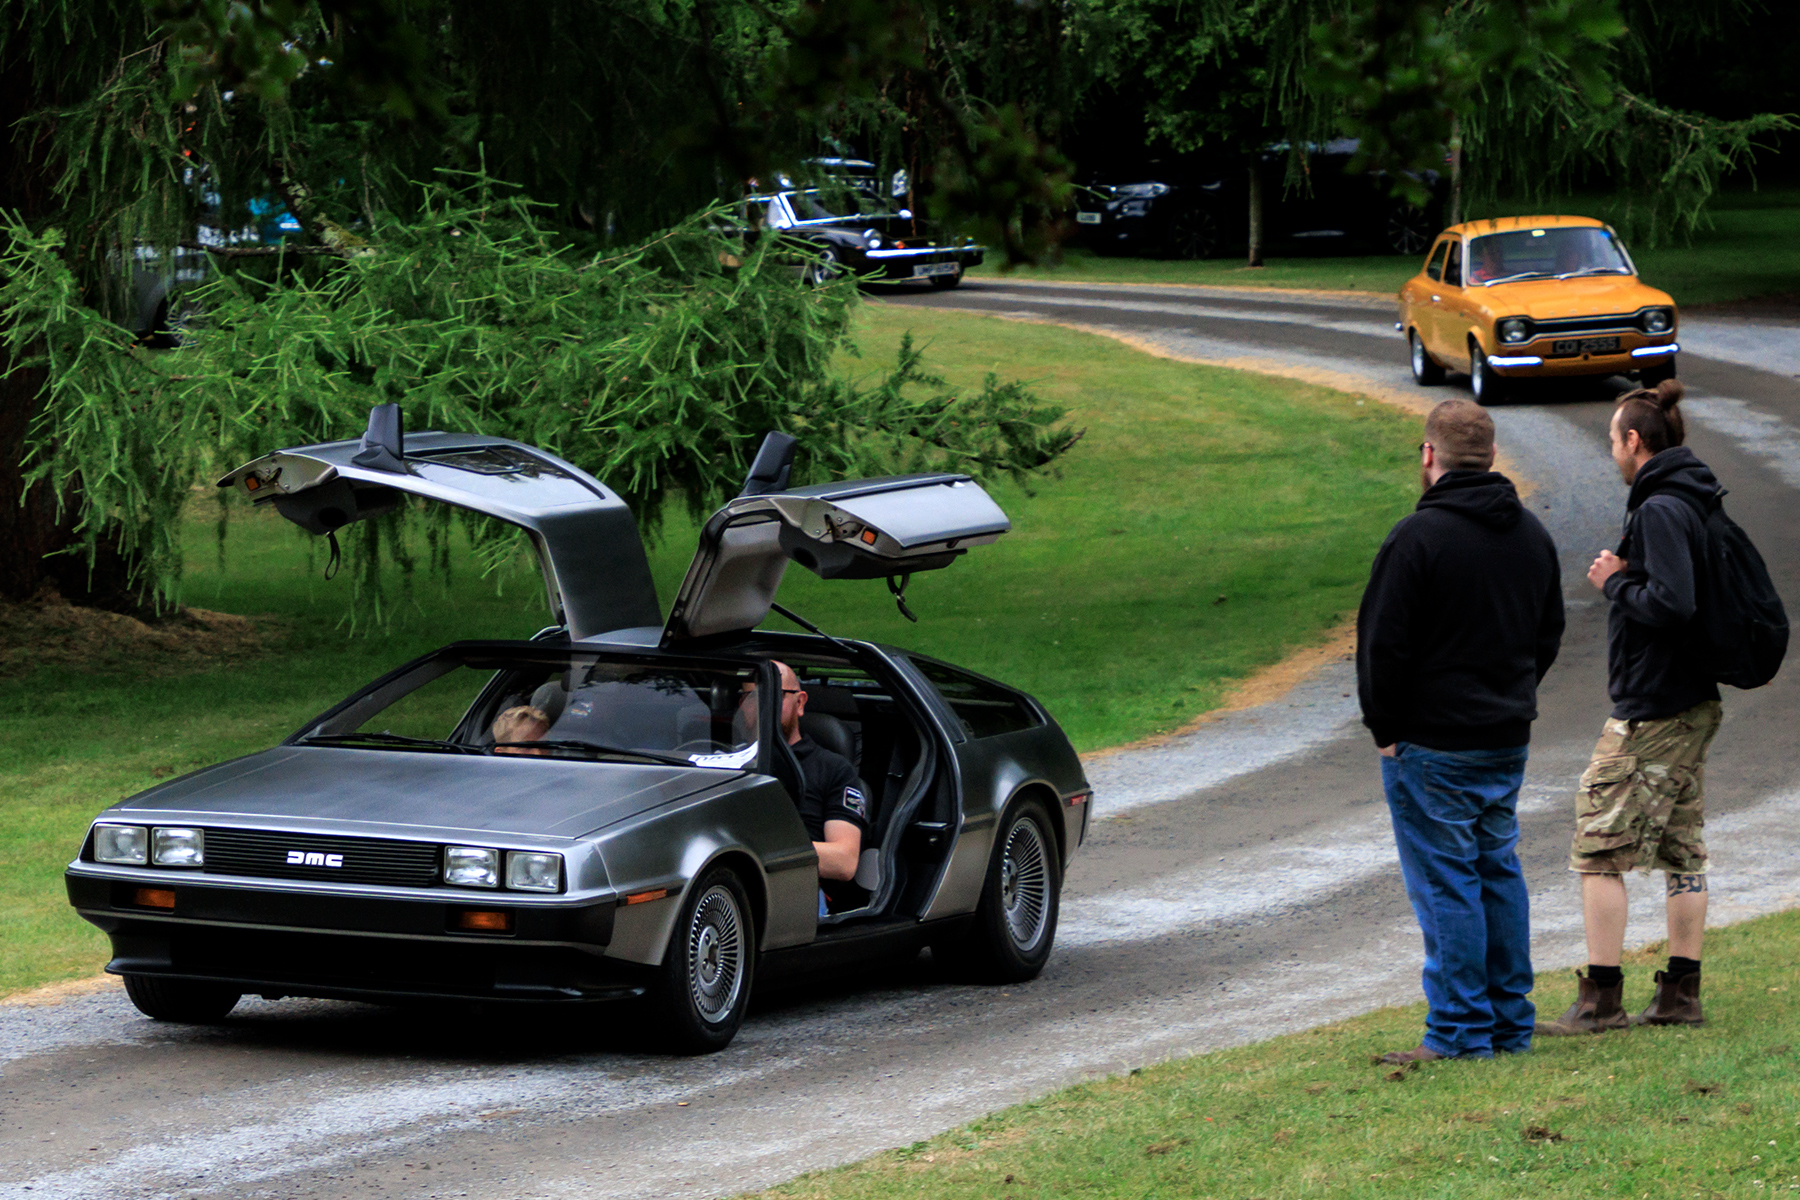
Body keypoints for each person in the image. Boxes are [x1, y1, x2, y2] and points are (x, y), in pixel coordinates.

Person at [1357, 399, 1565, 1063]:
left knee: (1447, 880)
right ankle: (1509, 1022)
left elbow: (1381, 645)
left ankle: (1458, 1031)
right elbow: (1548, 631)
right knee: (1497, 871)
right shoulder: (1530, 536)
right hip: (1504, 736)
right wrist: (1513, 692)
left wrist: (1385, 727)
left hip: (1432, 743)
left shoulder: (1416, 540)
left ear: (1429, 457)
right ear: (1491, 456)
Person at [1540, 380, 1722, 1035]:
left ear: (1634, 441)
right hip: (1692, 700)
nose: (1611, 449)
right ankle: (1679, 994)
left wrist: (1614, 581)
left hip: (1656, 706)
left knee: (1598, 847)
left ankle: (1602, 1000)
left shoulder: (1660, 510)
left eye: (1613, 438)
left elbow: (1672, 603)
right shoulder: (1694, 499)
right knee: (1681, 850)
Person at [742, 662, 870, 907]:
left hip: (798, 888)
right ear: (741, 707)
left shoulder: (833, 769)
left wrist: (757, 852)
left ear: (799, 703)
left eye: (774, 695)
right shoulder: (722, 764)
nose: (763, 705)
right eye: (753, 696)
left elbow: (844, 861)